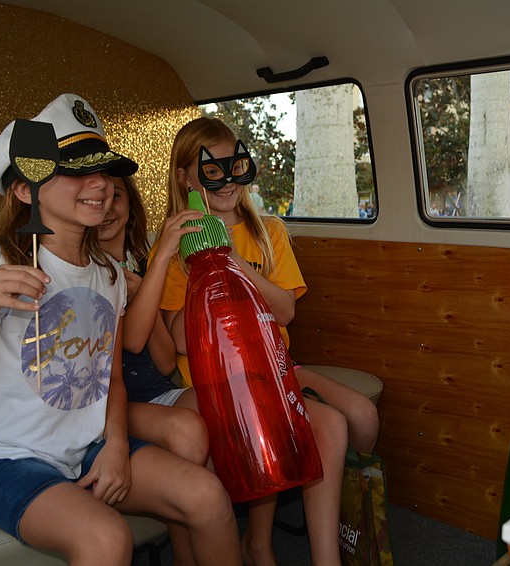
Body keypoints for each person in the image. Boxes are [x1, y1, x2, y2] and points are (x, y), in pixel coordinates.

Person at [0, 94, 241, 566]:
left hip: (86, 448)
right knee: (105, 538)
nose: (100, 183)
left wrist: (118, 445)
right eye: (75, 170)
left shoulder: (108, 273)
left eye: (103, 170)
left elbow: (114, 380)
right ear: (26, 189)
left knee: (208, 495)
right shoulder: (0, 261)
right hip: (5, 459)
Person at [154, 116, 379, 566]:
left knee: (338, 424)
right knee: (277, 420)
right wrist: (205, 262)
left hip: (272, 371)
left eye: (234, 165)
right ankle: (259, 545)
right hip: (212, 384)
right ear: (186, 177)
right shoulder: (173, 246)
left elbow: (285, 311)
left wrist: (231, 258)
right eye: (211, 170)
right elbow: (180, 339)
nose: (227, 181)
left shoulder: (267, 233)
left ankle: (325, 558)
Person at [98, 175, 220, 564]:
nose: (106, 208)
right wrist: (152, 274)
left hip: (154, 389)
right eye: (97, 198)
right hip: (111, 403)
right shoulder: (89, 269)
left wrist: (143, 289)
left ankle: (218, 533)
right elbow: (129, 343)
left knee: (219, 400)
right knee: (185, 430)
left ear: (131, 205)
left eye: (116, 197)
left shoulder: (139, 262)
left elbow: (166, 361)